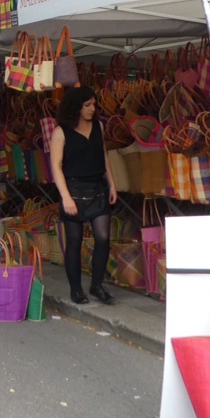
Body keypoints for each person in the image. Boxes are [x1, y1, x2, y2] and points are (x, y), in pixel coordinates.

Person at [50, 85, 118, 306]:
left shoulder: (98, 126)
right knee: (74, 240)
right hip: (74, 189)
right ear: (75, 107)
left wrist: (112, 184)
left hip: (98, 187)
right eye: (87, 105)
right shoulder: (61, 132)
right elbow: (56, 167)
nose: (92, 108)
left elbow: (103, 156)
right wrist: (65, 197)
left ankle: (97, 284)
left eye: (94, 104)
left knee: (103, 237)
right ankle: (76, 289)